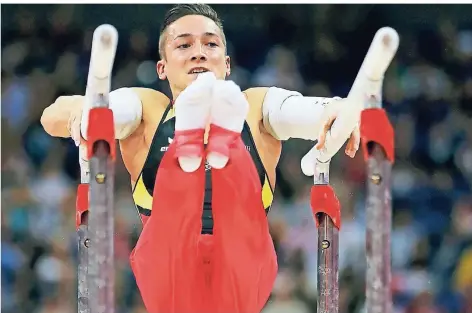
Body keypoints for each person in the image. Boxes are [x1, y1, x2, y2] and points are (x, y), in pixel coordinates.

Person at [41, 4, 368, 312]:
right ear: (162, 67)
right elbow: (53, 115)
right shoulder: (148, 111)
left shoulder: (255, 107)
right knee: (176, 226)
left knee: (237, 223)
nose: (198, 51)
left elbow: (304, 111)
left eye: (210, 44)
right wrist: (83, 114)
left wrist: (334, 108)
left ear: (226, 63)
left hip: (237, 260)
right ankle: (204, 144)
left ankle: (201, 145)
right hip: (172, 262)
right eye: (183, 45)